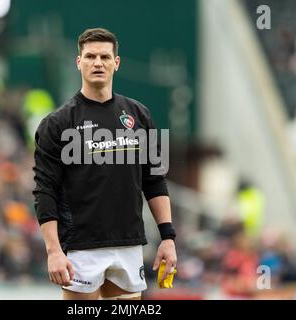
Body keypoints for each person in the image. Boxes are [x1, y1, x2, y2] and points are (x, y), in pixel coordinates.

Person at [33, 27, 177, 300]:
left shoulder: (140, 115)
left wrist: (167, 237)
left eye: (104, 57)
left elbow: (155, 180)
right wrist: (53, 251)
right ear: (78, 63)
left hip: (129, 243)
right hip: (80, 247)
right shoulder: (57, 123)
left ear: (116, 62)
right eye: (89, 57)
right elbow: (44, 191)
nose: (97, 63)